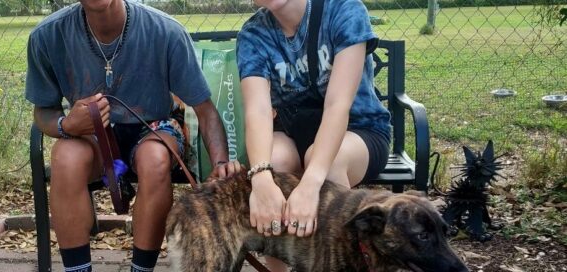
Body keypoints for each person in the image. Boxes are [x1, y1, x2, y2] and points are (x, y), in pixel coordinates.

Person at [25, 0, 241, 271]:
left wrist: (220, 165)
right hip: (91, 132)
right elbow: (43, 111)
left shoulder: (165, 31)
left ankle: (141, 268)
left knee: (155, 157)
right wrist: (66, 125)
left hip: (155, 127)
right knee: (65, 156)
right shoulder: (48, 36)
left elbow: (205, 110)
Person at [235, 0, 391, 270]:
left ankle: (335, 264)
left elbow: (337, 106)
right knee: (274, 165)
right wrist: (260, 179)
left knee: (328, 166)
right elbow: (258, 111)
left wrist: (310, 184)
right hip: (293, 130)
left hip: (358, 132)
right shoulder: (253, 34)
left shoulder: (344, 10)